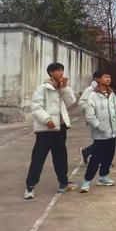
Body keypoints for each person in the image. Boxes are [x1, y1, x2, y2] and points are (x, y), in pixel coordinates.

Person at [24, 62, 78, 199]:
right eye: (58, 71)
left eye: (62, 71)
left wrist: (65, 88)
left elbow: (71, 102)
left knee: (60, 156)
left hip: (60, 129)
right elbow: (36, 107)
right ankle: (30, 186)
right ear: (51, 72)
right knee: (38, 158)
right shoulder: (43, 88)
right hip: (46, 130)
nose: (61, 73)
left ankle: (63, 182)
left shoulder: (61, 88)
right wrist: (47, 120)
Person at [79, 72, 116, 193]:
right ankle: (87, 181)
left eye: (109, 77)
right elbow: (90, 115)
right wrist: (99, 126)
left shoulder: (112, 94)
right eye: (105, 77)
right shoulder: (93, 95)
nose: (108, 79)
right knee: (96, 158)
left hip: (113, 131)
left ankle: (103, 177)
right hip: (100, 133)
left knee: (109, 155)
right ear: (98, 79)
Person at [79, 70, 103, 164]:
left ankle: (86, 152)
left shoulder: (105, 89)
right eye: (104, 77)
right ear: (96, 79)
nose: (107, 79)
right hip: (95, 119)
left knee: (103, 141)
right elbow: (82, 104)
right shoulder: (89, 90)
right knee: (102, 141)